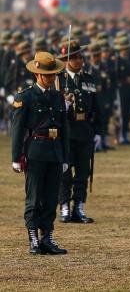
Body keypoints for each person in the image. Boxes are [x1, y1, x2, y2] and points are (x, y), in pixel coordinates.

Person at [11, 52, 69, 255]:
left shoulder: (58, 96)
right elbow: (17, 130)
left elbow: (64, 129)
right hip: (35, 152)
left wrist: (65, 157)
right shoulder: (25, 96)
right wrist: (16, 157)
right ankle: (33, 237)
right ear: (38, 75)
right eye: (48, 75)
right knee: (34, 197)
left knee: (51, 197)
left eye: (54, 74)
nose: (52, 78)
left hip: (54, 152)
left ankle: (47, 237)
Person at [57, 40, 102, 223]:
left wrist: (98, 131)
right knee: (65, 173)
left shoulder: (88, 79)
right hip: (67, 131)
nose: (79, 61)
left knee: (83, 172)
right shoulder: (59, 80)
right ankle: (65, 207)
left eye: (81, 57)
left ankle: (79, 207)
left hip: (85, 131)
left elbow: (97, 108)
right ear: (67, 60)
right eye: (75, 58)